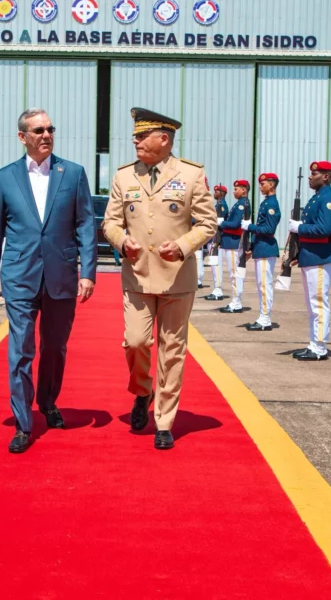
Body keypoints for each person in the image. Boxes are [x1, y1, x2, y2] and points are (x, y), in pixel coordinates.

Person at [0, 108, 97, 454]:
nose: (46, 135)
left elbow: (85, 224)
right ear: (23, 137)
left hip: (61, 275)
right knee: (21, 349)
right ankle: (22, 423)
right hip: (19, 275)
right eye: (38, 130)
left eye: (50, 129)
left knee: (55, 347)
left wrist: (88, 272)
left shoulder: (73, 173)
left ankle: (47, 401)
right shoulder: (5, 178)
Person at [103, 108, 217, 450]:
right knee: (135, 342)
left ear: (163, 139)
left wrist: (182, 246)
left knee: (172, 350)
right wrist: (122, 241)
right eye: (135, 136)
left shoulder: (191, 174)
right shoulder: (124, 176)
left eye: (142, 136)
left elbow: (207, 224)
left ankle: (164, 420)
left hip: (176, 278)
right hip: (137, 276)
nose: (135, 141)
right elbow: (110, 223)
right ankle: (142, 391)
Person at [289, 161, 331, 361]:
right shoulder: (318, 197)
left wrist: (300, 228)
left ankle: (319, 347)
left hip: (320, 256)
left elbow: (324, 228)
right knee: (312, 304)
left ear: (326, 176)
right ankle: (314, 343)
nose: (310, 177)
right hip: (311, 255)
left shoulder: (327, 198)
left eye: (315, 174)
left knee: (318, 302)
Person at [244, 173, 281, 331]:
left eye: (263, 183)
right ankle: (263, 316)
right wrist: (252, 247)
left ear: (271, 185)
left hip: (266, 248)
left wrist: (249, 227)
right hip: (261, 247)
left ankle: (265, 318)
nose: (260, 186)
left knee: (265, 285)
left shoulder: (271, 204)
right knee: (261, 285)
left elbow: (269, 229)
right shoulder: (266, 202)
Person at [219, 180, 251, 313]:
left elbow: (235, 224)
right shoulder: (239, 203)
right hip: (231, 242)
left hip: (234, 242)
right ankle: (235, 300)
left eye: (237, 189)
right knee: (233, 273)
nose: (234, 191)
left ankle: (236, 302)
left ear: (244, 190)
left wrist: (222, 223)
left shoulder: (242, 204)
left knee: (235, 274)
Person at [204, 184, 229, 300]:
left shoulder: (222, 205)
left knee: (216, 265)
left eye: (217, 191)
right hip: (213, 238)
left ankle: (218, 290)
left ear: (222, 193)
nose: (215, 193)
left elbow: (220, 222)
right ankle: (216, 288)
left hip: (217, 238)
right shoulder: (218, 204)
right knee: (213, 265)